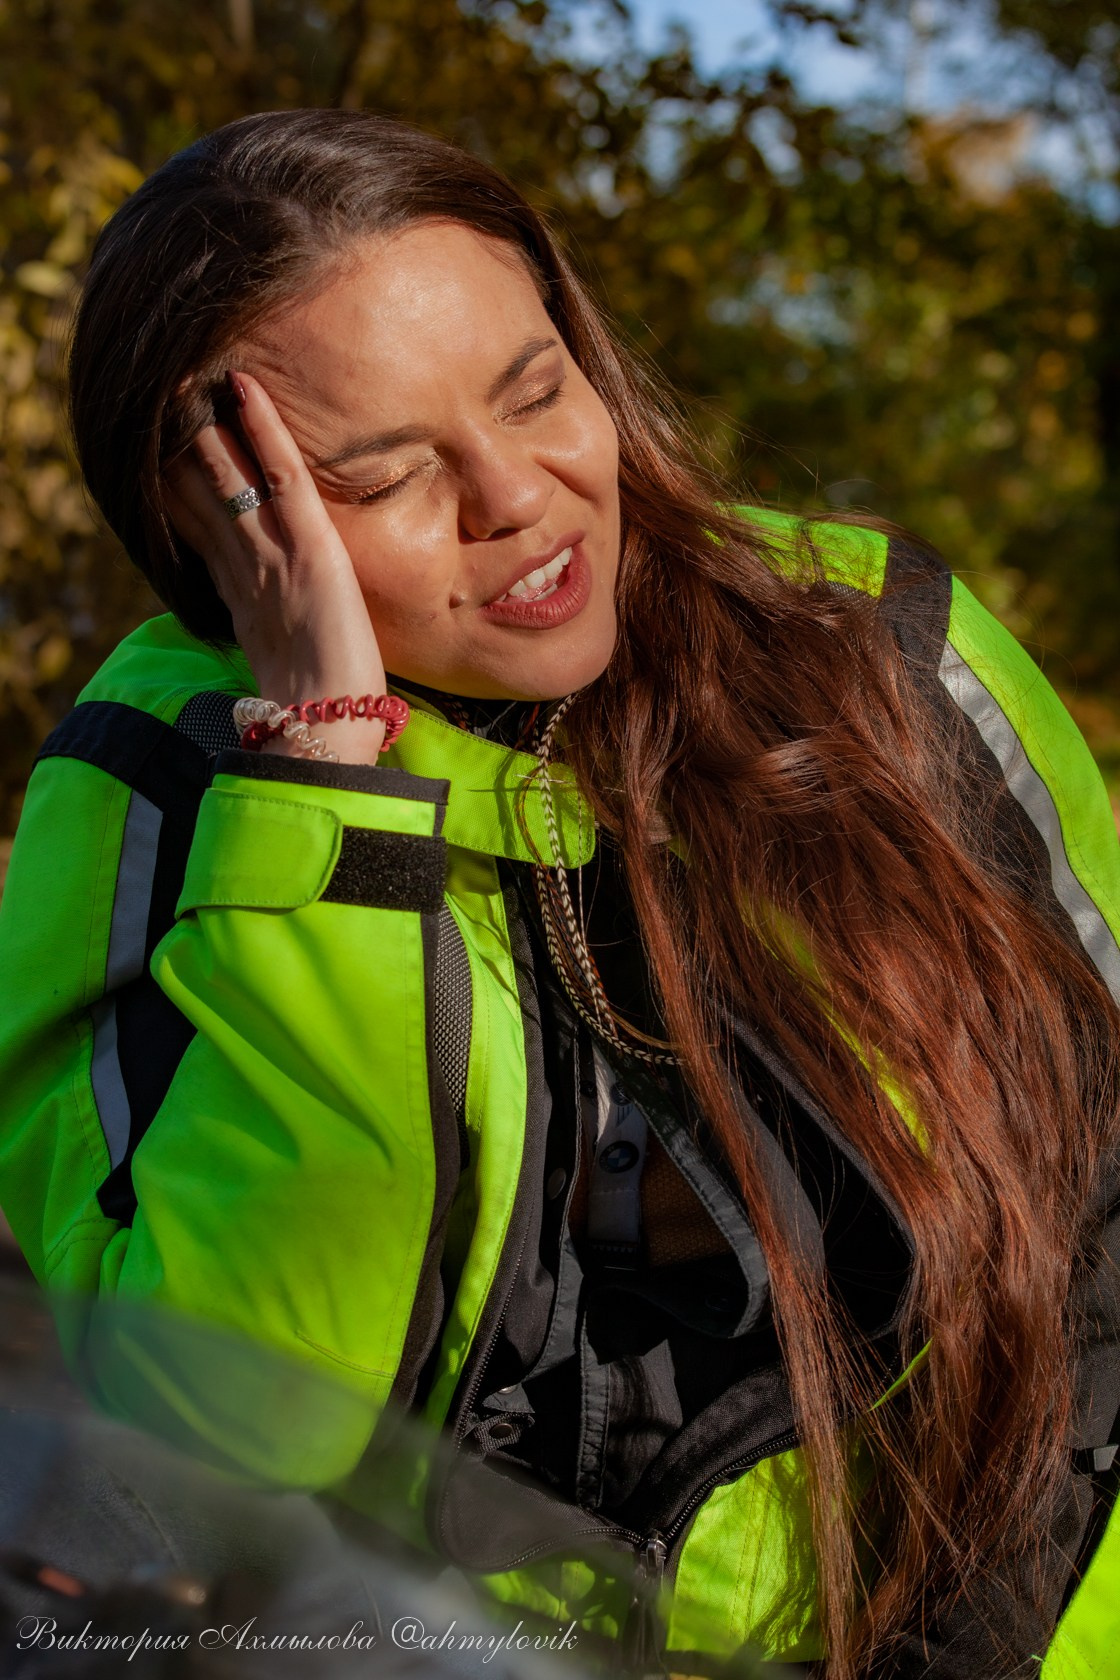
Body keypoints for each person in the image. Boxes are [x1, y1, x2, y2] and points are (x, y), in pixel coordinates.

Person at [0, 106, 1117, 1680]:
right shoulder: (146, 800)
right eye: (385, 475)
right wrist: (323, 787)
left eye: (536, 390)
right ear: (218, 530)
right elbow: (232, 1435)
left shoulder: (891, 652)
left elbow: (1102, 1200)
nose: (517, 496)